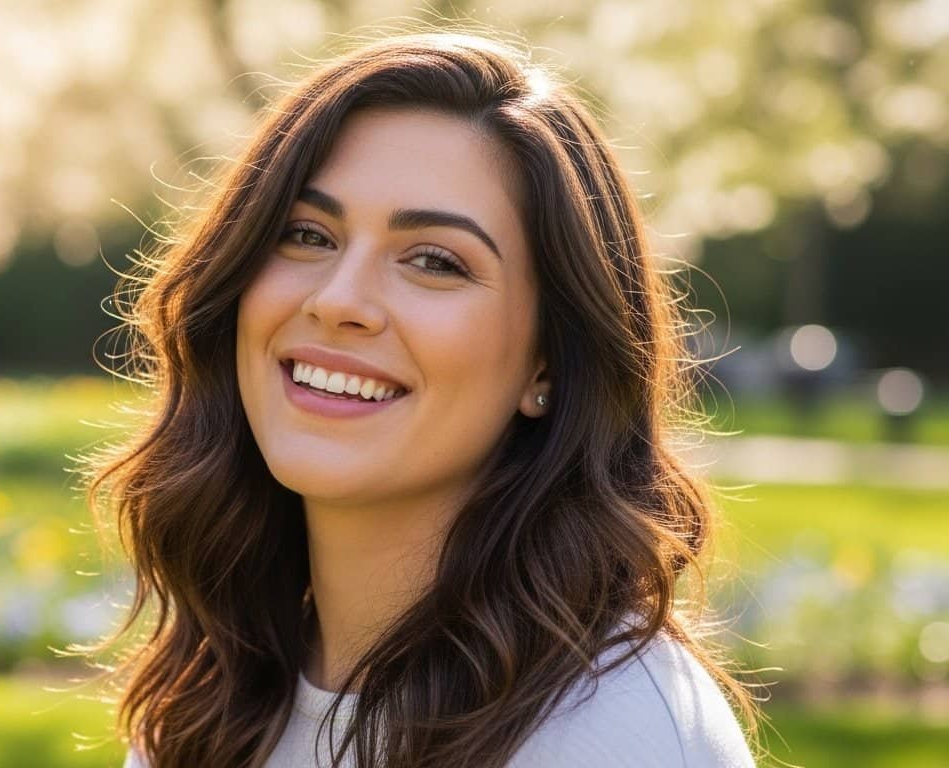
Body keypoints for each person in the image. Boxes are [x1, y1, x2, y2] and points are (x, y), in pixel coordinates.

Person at [82, 29, 763, 768]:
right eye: (306, 235)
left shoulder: (611, 730)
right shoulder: (207, 701)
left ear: (549, 366)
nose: (338, 299)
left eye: (435, 261)